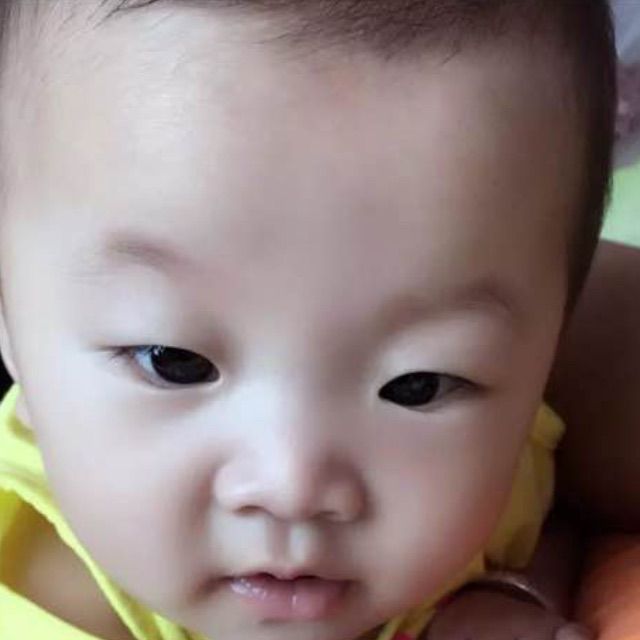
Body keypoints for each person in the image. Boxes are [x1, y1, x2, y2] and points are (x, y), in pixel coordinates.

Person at [0, 1, 616, 640]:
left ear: (547, 350)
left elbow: (540, 505)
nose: (292, 485)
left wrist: (500, 595)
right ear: (11, 323)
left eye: (416, 386)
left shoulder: (492, 443)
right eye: (174, 361)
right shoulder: (37, 610)